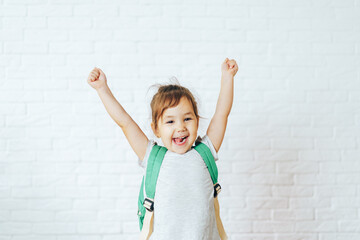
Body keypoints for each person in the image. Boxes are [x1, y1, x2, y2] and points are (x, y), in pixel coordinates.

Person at [87, 58, 238, 239]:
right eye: (170, 121)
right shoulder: (153, 157)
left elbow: (222, 113)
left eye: (187, 119)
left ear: (197, 122)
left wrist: (227, 77)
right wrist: (102, 89)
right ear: (156, 129)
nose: (180, 127)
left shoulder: (205, 152)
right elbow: (125, 123)